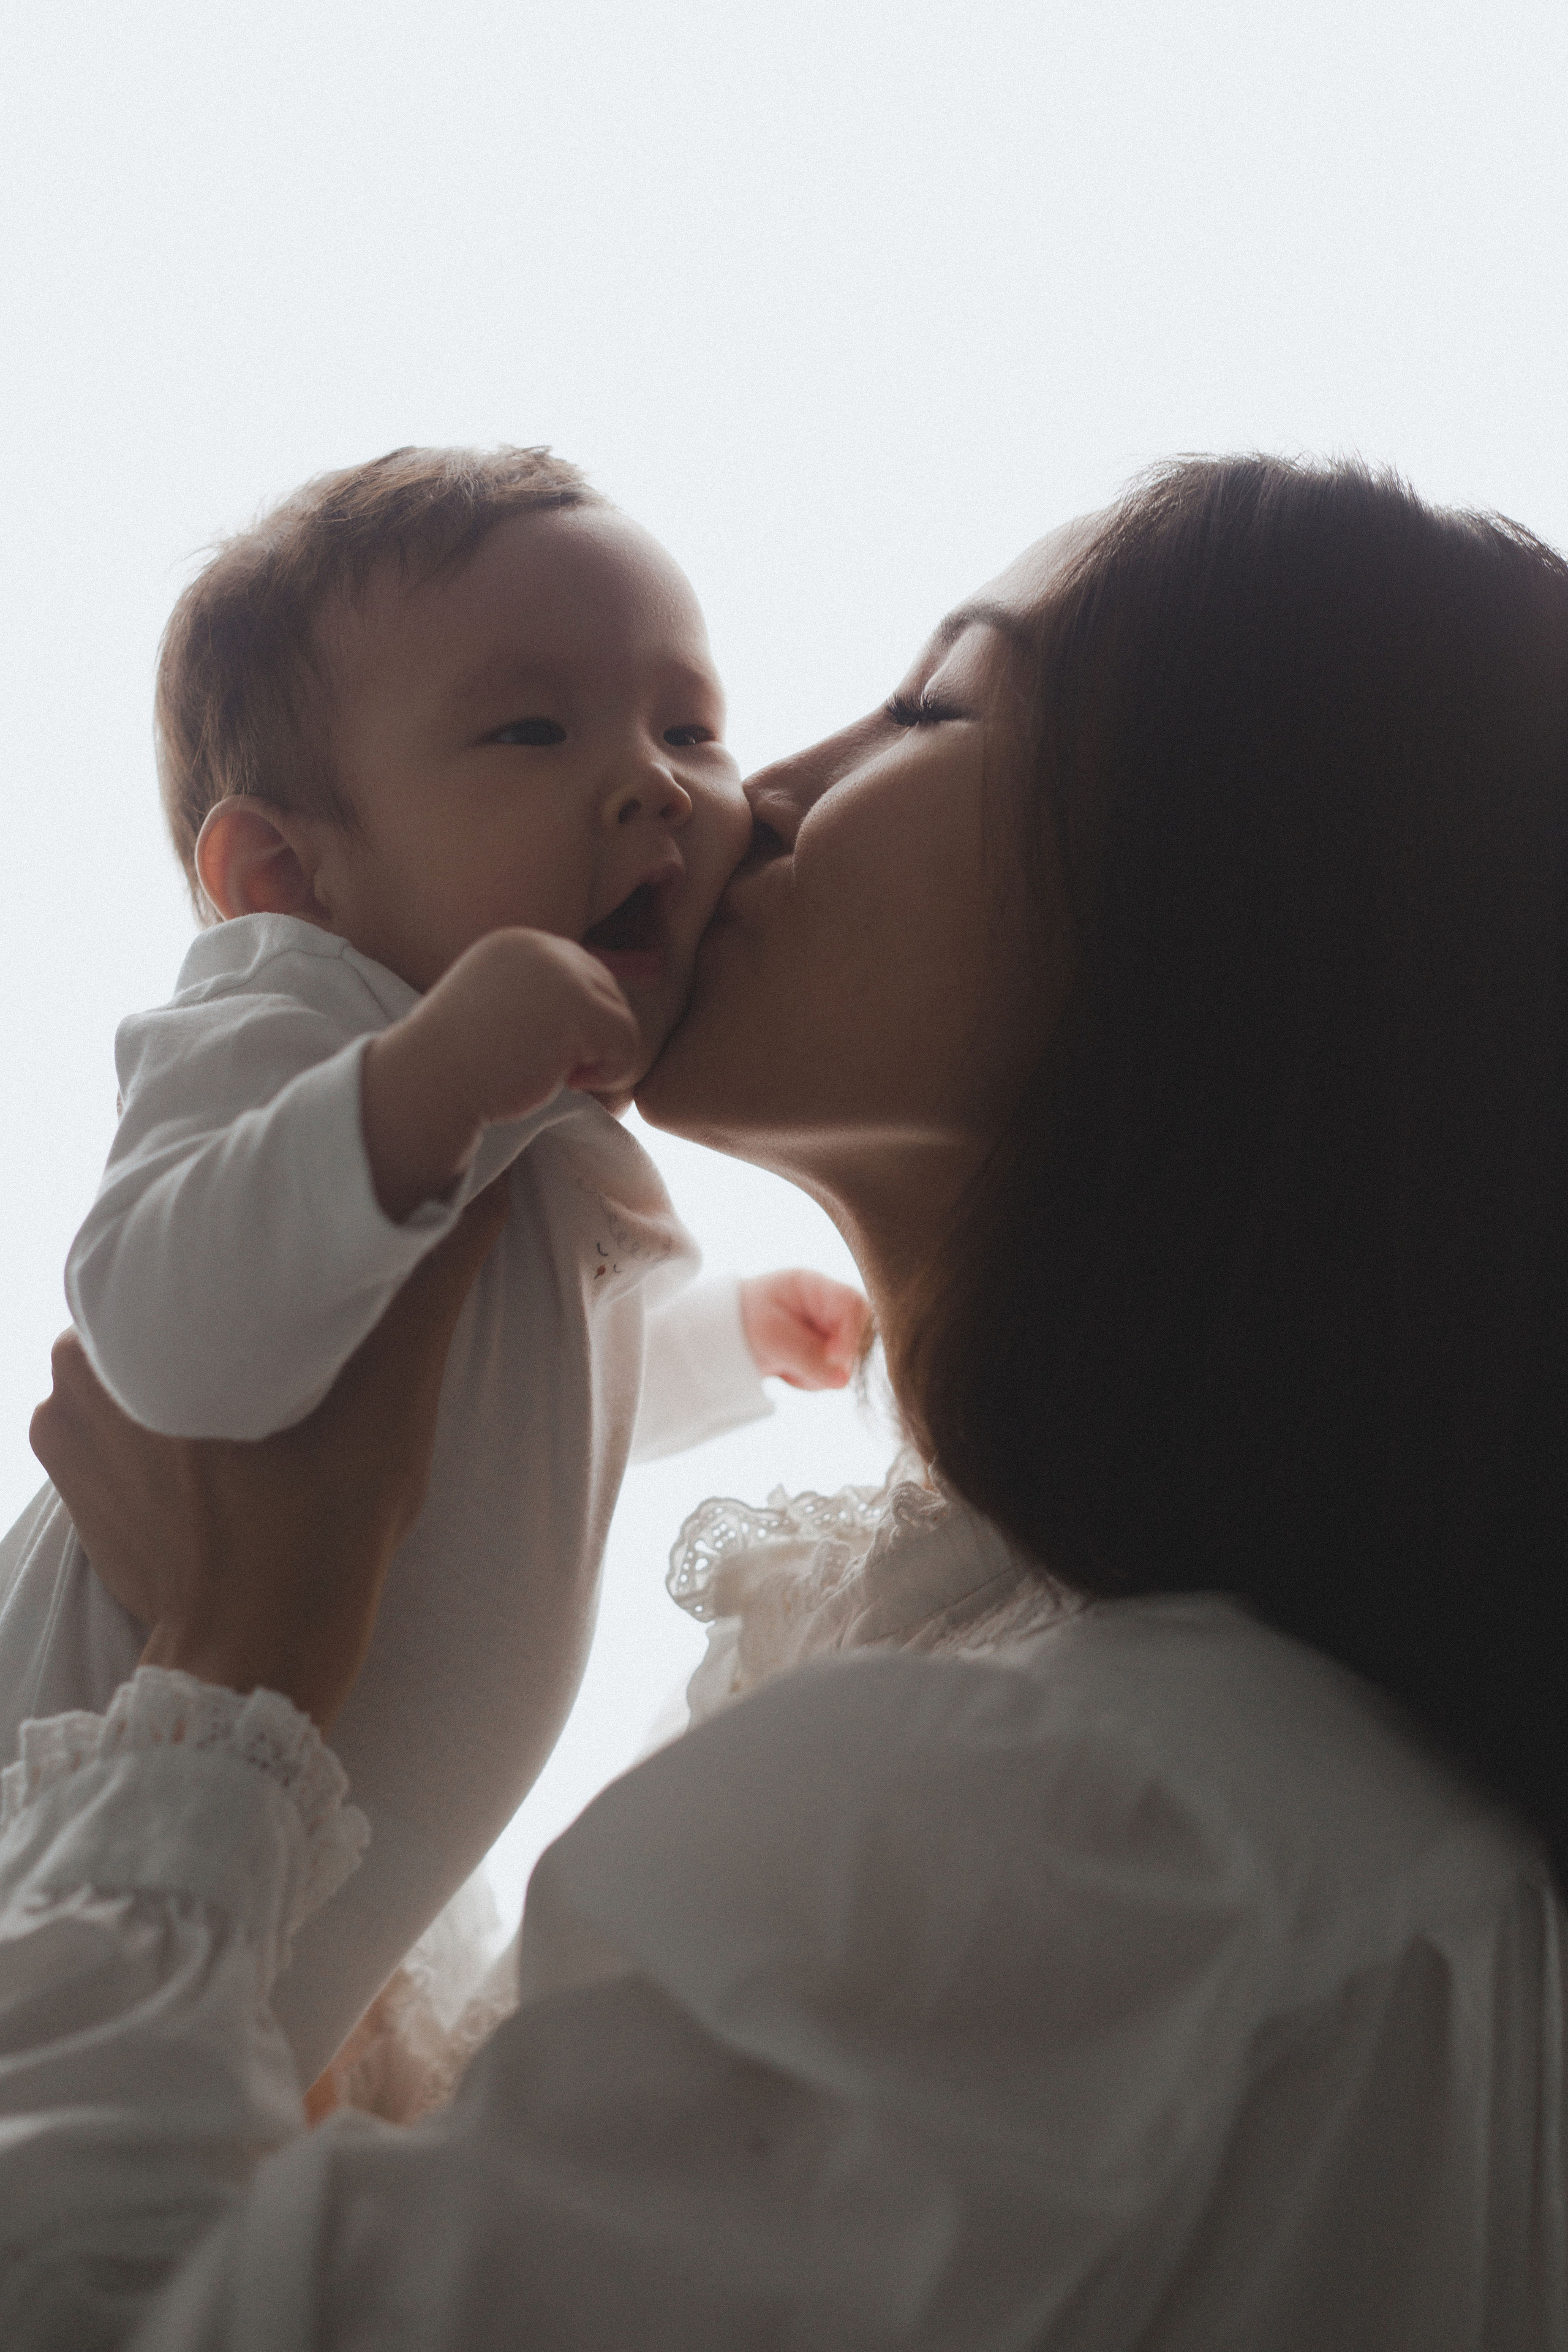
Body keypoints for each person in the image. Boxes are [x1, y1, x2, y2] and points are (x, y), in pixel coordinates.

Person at [2, 454, 1566, 2350]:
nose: (738, 800)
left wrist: (239, 1659)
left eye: (932, 708)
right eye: (537, 728)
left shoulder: (1075, 1828)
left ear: (1235, 902)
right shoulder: (1175, 1760)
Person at [0, 443, 868, 2087]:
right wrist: (416, 1088)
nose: (652, 785)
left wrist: (714, 1344)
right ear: (284, 877)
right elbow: (158, 1332)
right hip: (61, 1826)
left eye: (690, 729)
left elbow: (505, 1420)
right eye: (532, 731)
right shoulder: (303, 1020)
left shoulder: (508, 1124)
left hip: (245, 1890)